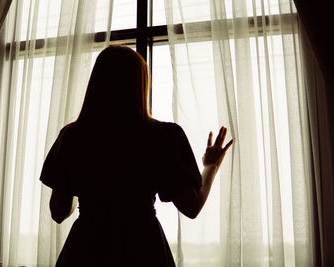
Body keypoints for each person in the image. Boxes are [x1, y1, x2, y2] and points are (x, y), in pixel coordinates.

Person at [39, 45, 233, 267]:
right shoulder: (163, 136)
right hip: (143, 249)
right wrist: (211, 166)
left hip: (86, 250)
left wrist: (80, 188)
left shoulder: (72, 137)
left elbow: (58, 212)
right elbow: (192, 207)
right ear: (140, 84)